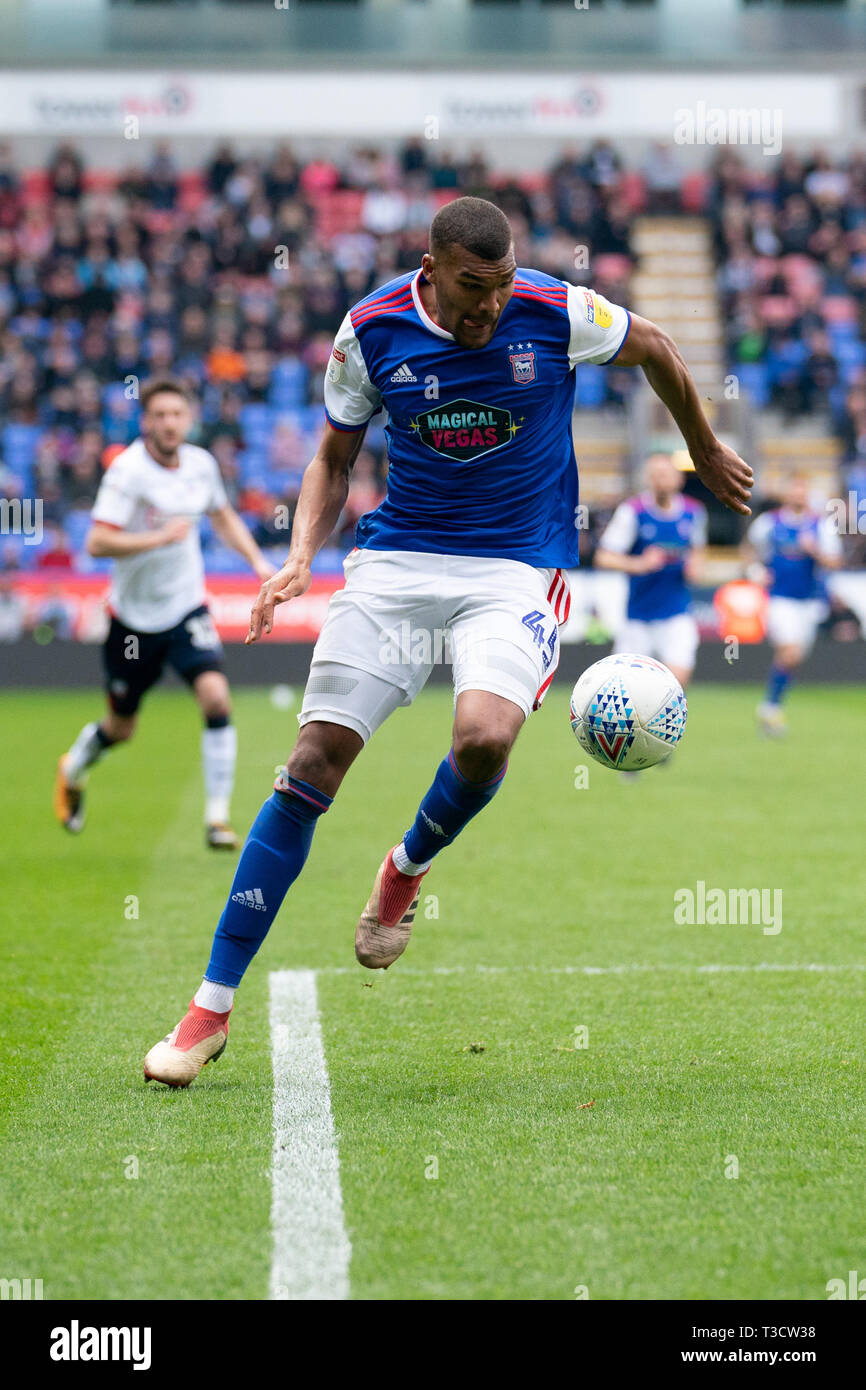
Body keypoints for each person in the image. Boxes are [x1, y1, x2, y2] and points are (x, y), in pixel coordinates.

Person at [142, 196, 752, 1087]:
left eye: (502, 286)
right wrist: (301, 557)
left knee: (483, 737)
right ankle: (209, 1007)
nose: (490, 307)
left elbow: (654, 343)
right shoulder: (371, 330)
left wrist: (704, 443)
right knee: (313, 762)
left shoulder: (555, 310)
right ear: (431, 269)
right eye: (474, 289)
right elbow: (333, 457)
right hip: (395, 566)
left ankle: (405, 866)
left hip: (515, 568)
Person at [54, 377, 274, 847]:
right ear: (145, 422)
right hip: (132, 622)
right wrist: (157, 538)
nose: (170, 423)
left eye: (177, 414)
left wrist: (258, 563)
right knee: (121, 727)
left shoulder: (201, 465)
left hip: (185, 609)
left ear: (188, 419)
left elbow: (222, 515)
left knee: (216, 697)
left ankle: (217, 818)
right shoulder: (128, 472)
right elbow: (95, 541)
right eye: (160, 415)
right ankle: (73, 766)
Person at [594, 453, 707, 692]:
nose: (659, 480)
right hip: (638, 616)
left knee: (676, 683)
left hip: (676, 612)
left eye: (664, 475)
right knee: (625, 690)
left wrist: (694, 567)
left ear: (679, 479)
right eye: (654, 475)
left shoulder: (693, 512)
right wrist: (640, 564)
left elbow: (697, 550)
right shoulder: (632, 511)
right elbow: (603, 557)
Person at [743, 475, 842, 736]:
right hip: (780, 599)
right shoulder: (769, 523)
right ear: (786, 494)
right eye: (794, 491)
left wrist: (816, 552)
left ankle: (771, 705)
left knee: (794, 658)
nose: (798, 496)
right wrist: (755, 570)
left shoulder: (821, 526)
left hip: (809, 603)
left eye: (802, 492)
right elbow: (748, 550)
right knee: (790, 652)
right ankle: (771, 709)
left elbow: (834, 563)